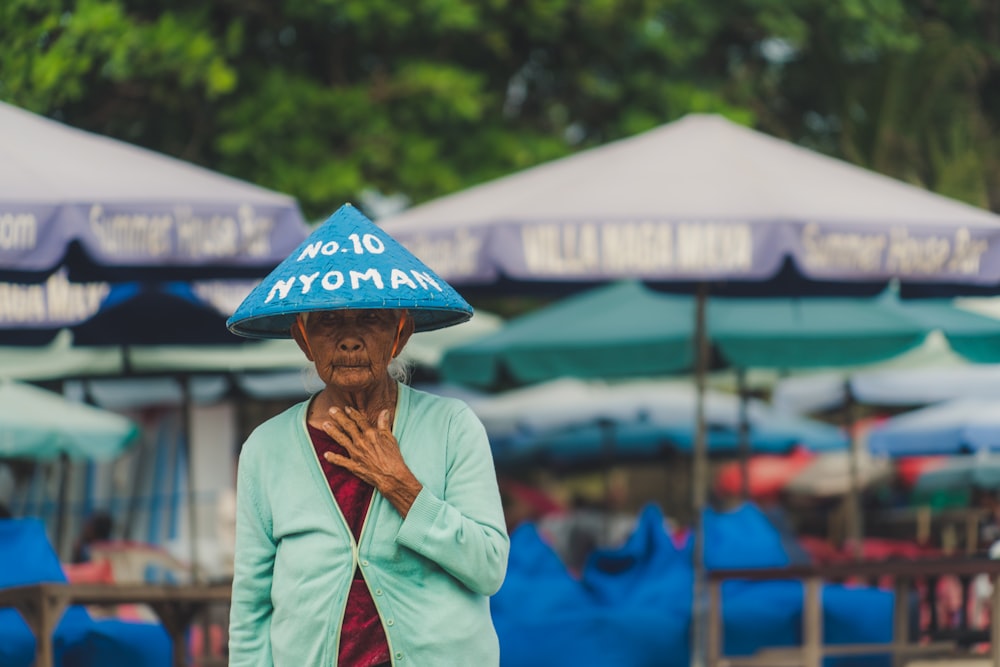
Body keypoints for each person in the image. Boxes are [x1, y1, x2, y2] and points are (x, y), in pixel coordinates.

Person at [226, 204, 510, 667]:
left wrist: (402, 485)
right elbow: (252, 605)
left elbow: (489, 566)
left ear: (400, 334)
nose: (350, 339)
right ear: (302, 337)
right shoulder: (266, 448)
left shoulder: (453, 426)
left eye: (370, 320)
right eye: (329, 321)